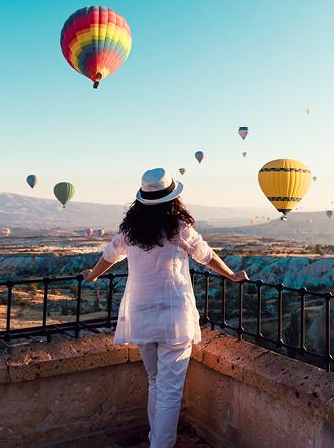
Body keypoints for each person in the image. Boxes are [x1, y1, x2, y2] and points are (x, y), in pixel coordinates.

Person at [83, 168, 247, 447]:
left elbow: (109, 256)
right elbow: (206, 255)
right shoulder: (178, 227)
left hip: (141, 314)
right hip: (173, 316)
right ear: (173, 198)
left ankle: (155, 439)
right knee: (170, 391)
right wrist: (231, 275)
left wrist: (92, 276)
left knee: (155, 381)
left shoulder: (130, 230)